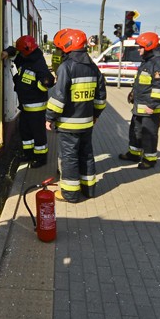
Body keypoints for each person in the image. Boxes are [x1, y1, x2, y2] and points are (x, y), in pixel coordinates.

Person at [45, 29, 106, 202]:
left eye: (60, 47)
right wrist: (96, 115)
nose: (59, 51)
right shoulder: (93, 68)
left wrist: (49, 117)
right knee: (86, 154)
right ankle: (89, 189)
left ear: (67, 45)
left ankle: (70, 194)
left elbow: (59, 98)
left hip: (68, 125)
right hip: (87, 123)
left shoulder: (67, 67)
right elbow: (101, 98)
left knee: (69, 157)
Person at [119, 32, 160, 169]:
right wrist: (133, 93)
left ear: (149, 47)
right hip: (140, 106)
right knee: (135, 131)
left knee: (149, 134)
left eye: (140, 47)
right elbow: (143, 83)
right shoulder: (148, 62)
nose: (138, 49)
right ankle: (134, 154)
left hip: (150, 108)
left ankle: (150, 159)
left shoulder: (159, 64)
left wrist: (152, 105)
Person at [3, 35, 54, 167]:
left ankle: (41, 159)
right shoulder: (24, 57)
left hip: (36, 107)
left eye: (21, 51)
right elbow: (14, 51)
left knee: (38, 134)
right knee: (25, 131)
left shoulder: (38, 62)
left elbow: (49, 81)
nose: (19, 53)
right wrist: (7, 52)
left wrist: (39, 85)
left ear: (26, 50)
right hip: (25, 105)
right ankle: (29, 154)